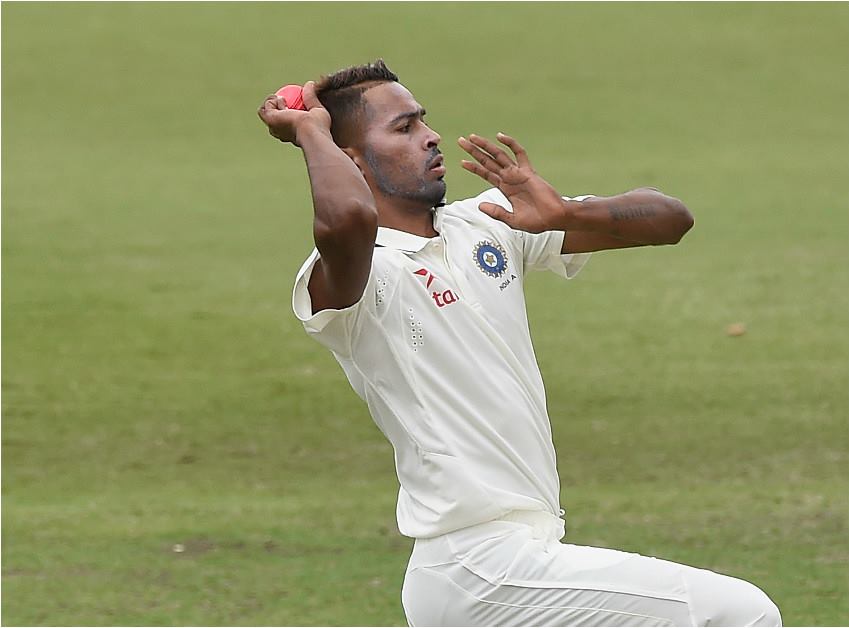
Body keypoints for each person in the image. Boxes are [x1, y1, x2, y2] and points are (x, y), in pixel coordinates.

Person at [257, 59, 781, 627]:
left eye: (423, 120)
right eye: (404, 128)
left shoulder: (486, 223)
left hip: (518, 558)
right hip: (478, 565)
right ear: (351, 158)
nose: (431, 136)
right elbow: (346, 221)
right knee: (742, 614)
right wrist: (311, 132)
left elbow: (670, 219)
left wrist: (567, 213)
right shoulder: (357, 275)